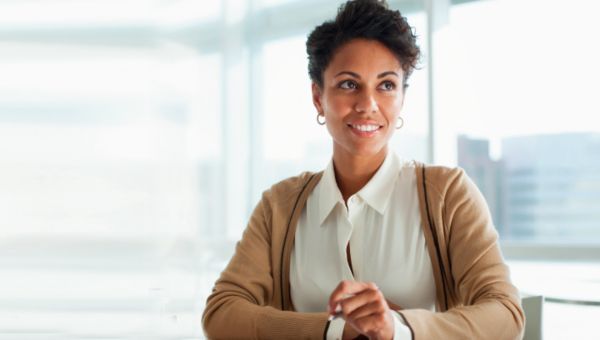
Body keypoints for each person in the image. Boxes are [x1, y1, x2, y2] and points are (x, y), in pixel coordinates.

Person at [202, 0, 525, 339]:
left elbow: (505, 314)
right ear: (318, 97)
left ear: (402, 97)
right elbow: (222, 313)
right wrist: (333, 330)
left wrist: (397, 329)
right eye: (348, 84)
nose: (368, 105)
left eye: (386, 85)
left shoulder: (448, 194)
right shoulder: (279, 207)